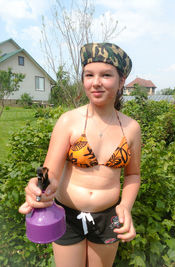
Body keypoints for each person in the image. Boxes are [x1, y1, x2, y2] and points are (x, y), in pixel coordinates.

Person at [19, 43, 141, 267]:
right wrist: (40, 185)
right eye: (89, 75)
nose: (96, 82)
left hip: (108, 217)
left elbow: (133, 175)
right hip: (67, 215)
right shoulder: (68, 121)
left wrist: (125, 206)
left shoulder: (132, 128)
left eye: (106, 75)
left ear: (121, 80)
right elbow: (50, 171)